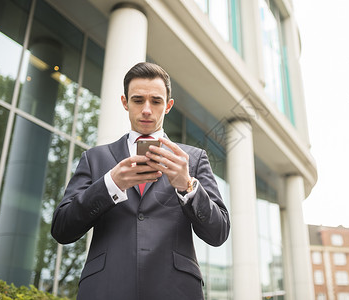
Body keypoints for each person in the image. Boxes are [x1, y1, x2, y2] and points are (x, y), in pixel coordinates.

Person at [51, 62, 230, 300]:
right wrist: (110, 185)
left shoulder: (193, 160)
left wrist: (187, 186)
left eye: (156, 101)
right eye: (138, 100)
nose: (147, 109)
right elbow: (62, 229)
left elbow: (218, 233)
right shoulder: (95, 158)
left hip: (176, 290)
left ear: (168, 106)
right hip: (106, 288)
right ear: (125, 102)